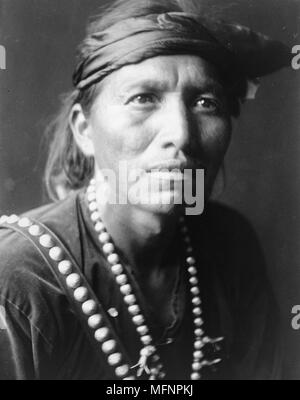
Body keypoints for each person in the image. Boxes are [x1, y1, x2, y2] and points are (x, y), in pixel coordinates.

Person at [0, 0, 291, 380]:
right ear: (84, 130)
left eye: (206, 102)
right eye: (143, 99)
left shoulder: (232, 244)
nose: (182, 134)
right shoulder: (18, 281)